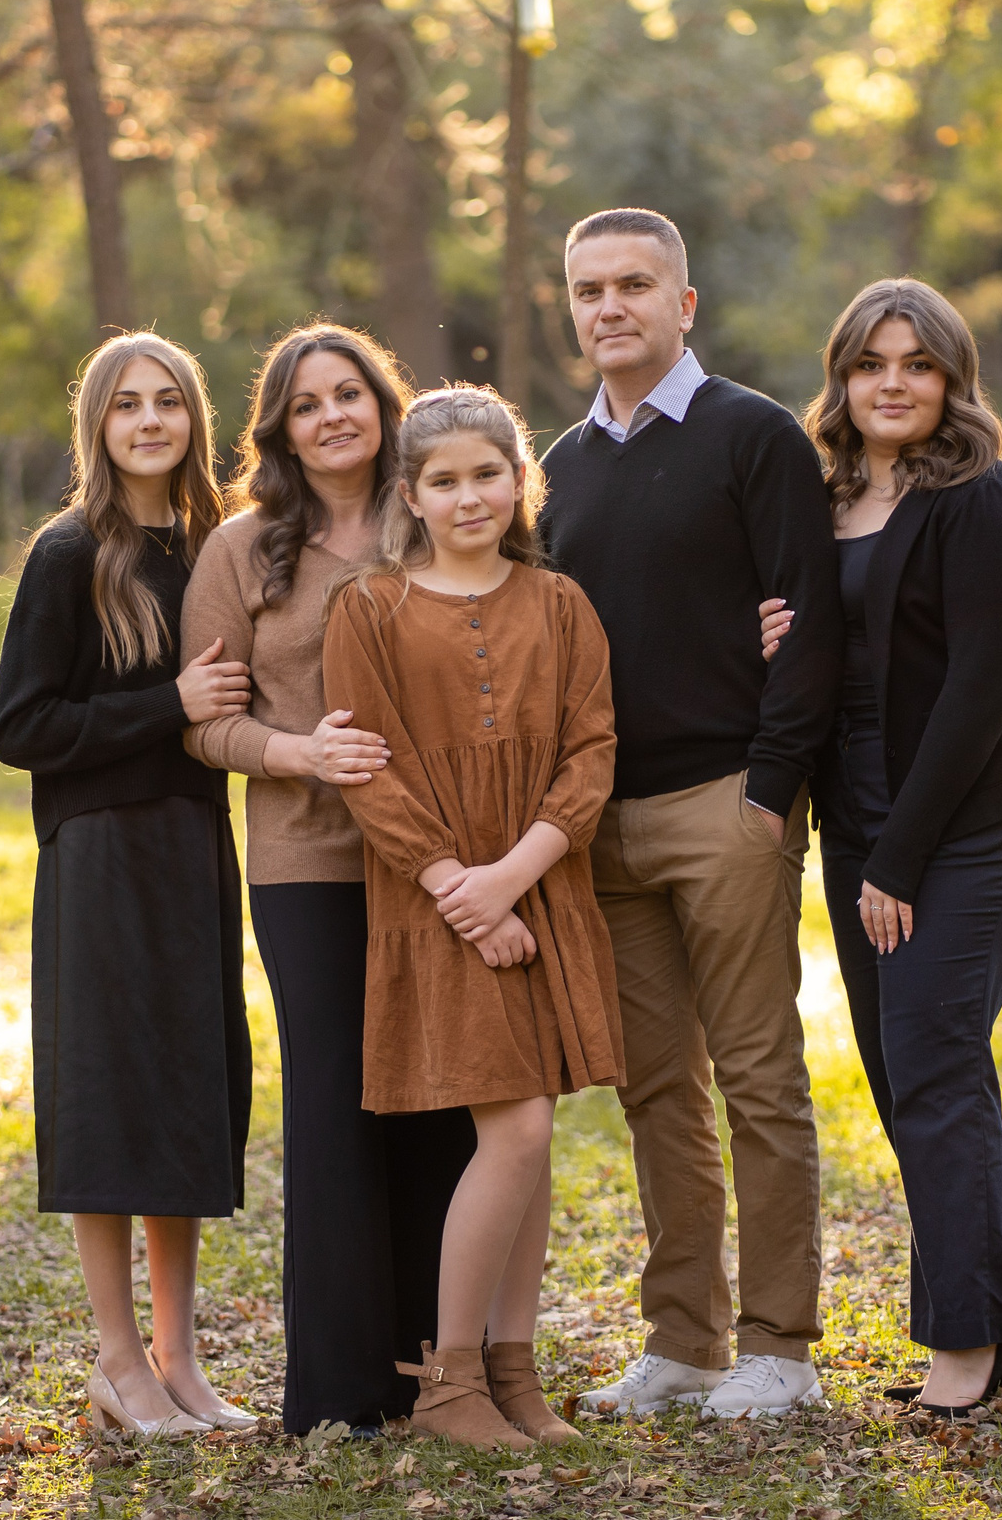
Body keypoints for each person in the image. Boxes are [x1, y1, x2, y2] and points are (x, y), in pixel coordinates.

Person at [538, 208, 843, 1420]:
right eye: (587, 291)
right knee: (655, 1087)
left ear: (684, 303)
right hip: (602, 824)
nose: (609, 308)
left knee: (759, 1075)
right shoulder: (556, 462)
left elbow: (808, 619)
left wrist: (772, 794)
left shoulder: (752, 436)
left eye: (633, 286)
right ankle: (683, 1344)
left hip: (729, 803)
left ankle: (780, 1348)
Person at [764, 278, 1002, 1417]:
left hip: (979, 817)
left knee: (934, 1067)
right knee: (915, 1081)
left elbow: (980, 692)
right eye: (869, 363)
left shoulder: (987, 503)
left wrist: (898, 857)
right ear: (842, 378)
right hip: (866, 822)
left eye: (916, 364)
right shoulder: (825, 499)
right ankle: (999, 1335)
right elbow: (838, 658)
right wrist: (777, 636)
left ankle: (963, 1359)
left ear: (951, 379)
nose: (891, 383)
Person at [179, 324, 477, 1436]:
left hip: (443, 860)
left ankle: (442, 1372)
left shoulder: (438, 517)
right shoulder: (241, 552)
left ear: (383, 404)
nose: (333, 416)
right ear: (280, 429)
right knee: (337, 1106)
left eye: (350, 393)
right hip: (309, 866)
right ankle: (345, 1393)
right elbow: (208, 727)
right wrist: (297, 753)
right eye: (308, 404)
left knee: (444, 1102)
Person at [323, 385, 623, 1450]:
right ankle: (449, 1382)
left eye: (487, 475)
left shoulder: (560, 603)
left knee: (531, 1144)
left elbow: (591, 755)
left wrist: (516, 875)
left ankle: (514, 1373)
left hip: (541, 890)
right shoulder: (368, 610)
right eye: (443, 482)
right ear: (410, 494)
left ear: (520, 479)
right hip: (432, 901)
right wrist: (462, 888)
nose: (468, 497)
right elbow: (372, 771)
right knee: (519, 1128)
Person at [0, 332, 259, 1439]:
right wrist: (170, 704)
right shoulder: (69, 554)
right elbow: (19, 726)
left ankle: (180, 1361)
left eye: (169, 403)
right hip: (98, 861)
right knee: (109, 1101)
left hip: (194, 850)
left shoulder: (213, 549)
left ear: (194, 419)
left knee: (186, 1097)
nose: (150, 422)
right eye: (126, 406)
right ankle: (115, 1361)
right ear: (96, 425)